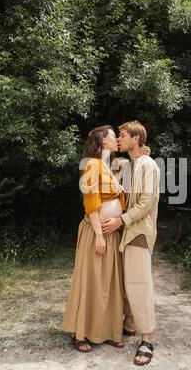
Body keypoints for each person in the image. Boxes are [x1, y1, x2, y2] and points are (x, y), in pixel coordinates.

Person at [62, 125, 149, 353]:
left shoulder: (112, 165)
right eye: (113, 137)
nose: (117, 140)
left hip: (112, 233)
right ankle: (81, 333)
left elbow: (132, 171)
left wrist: (141, 154)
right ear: (102, 141)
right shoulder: (91, 164)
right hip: (96, 232)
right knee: (91, 282)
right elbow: (91, 202)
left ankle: (108, 332)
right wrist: (99, 234)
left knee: (109, 285)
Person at [101, 121, 160, 366]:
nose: (119, 139)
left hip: (138, 231)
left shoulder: (148, 165)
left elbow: (146, 202)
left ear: (136, 138)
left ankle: (147, 339)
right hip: (127, 232)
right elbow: (106, 166)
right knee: (127, 282)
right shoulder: (130, 164)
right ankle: (131, 324)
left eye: (123, 135)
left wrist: (119, 221)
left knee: (139, 283)